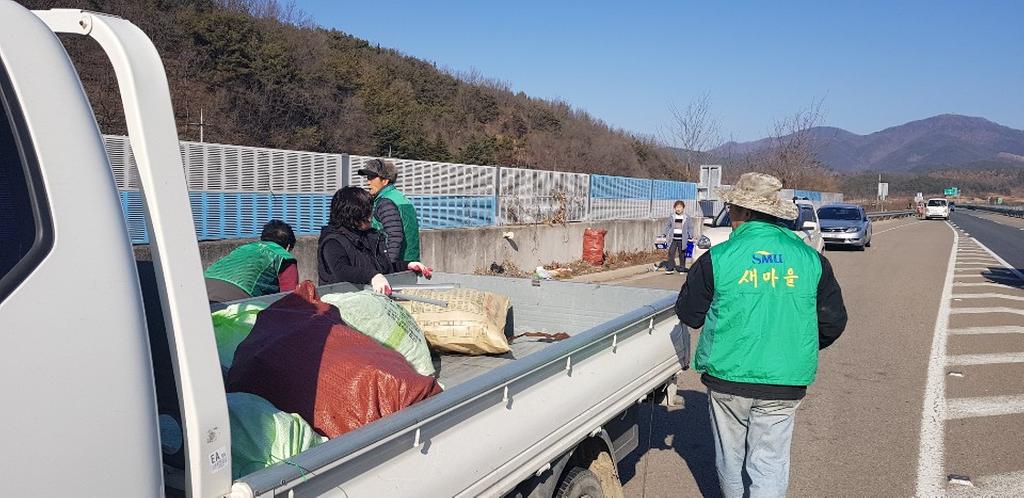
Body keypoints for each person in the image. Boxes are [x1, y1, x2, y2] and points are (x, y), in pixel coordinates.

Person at [675, 172, 848, 498]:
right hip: (785, 380)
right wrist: (796, 343)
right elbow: (833, 322)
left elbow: (689, 315)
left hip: (727, 376)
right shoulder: (812, 260)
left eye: (734, 209)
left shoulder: (717, 259)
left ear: (744, 213)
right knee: (770, 462)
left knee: (730, 459)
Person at [318, 187, 431, 294]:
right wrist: (372, 276)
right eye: (365, 214)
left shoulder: (369, 237)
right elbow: (342, 271)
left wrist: (407, 265)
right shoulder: (333, 242)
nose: (370, 218)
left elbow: (383, 267)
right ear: (351, 216)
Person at [204, 220, 298, 303]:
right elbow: (289, 299)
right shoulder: (283, 257)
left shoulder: (244, 248)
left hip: (201, 289)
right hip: (235, 298)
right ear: (288, 247)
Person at [357, 158, 421, 265]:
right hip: (410, 262)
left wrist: (388, 266)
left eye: (372, 177)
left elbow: (394, 235)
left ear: (385, 180)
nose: (368, 182)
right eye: (368, 177)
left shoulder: (385, 202)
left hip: (397, 266)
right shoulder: (400, 197)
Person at [660, 200, 693, 274]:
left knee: (682, 254)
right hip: (673, 239)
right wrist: (664, 233)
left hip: (682, 239)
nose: (678, 209)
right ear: (674, 208)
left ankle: (682, 268)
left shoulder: (687, 217)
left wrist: (691, 235)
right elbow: (668, 226)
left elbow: (690, 227)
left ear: (683, 208)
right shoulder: (672, 216)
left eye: (680, 207)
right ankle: (670, 268)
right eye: (677, 207)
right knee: (671, 253)